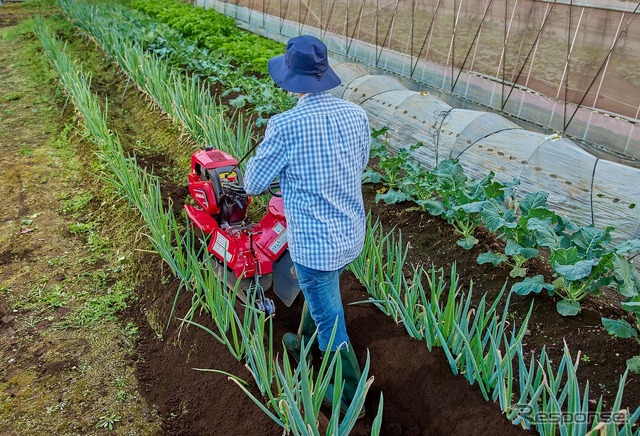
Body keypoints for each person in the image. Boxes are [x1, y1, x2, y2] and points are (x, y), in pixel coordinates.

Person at [243, 35, 371, 417]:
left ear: (288, 80)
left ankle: (349, 399)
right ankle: (301, 342)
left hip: (315, 245)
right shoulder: (356, 114)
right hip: (350, 234)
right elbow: (359, 164)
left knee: (331, 317)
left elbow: (252, 184)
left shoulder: (284, 126)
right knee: (320, 294)